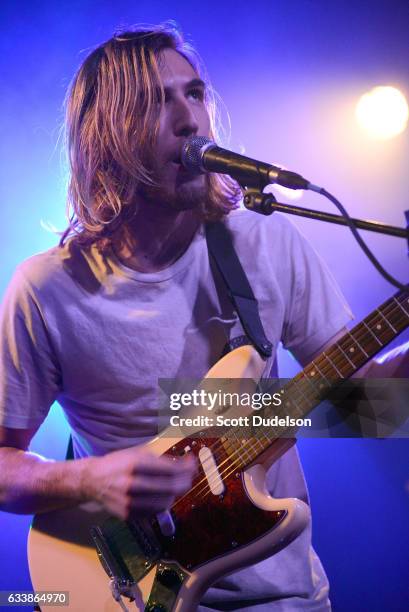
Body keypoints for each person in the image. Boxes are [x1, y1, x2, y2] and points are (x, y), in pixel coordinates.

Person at [0, 24, 407, 612]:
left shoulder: (265, 241)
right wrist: (89, 480)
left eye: (195, 94)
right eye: (157, 102)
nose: (190, 119)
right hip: (126, 590)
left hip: (287, 596)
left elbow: (361, 402)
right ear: (105, 135)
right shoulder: (46, 289)